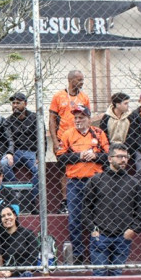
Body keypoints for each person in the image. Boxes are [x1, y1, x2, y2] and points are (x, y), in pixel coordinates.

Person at [55, 105, 109, 264]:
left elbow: (108, 157)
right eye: (76, 117)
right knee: (74, 220)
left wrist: (94, 156)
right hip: (75, 183)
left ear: (89, 119)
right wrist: (79, 156)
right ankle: (78, 255)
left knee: (98, 219)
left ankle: (98, 255)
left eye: (81, 117)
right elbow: (60, 159)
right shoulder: (67, 134)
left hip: (96, 182)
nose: (78, 120)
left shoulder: (99, 134)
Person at [82, 143, 141, 276]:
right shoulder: (96, 180)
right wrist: (92, 229)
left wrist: (133, 230)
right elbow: (85, 207)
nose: (124, 160)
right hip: (100, 236)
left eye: (126, 157)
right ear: (110, 158)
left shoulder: (134, 183)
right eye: (119, 157)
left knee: (117, 276)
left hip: (123, 236)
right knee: (99, 275)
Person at [49, 70, 91, 213]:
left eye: (82, 79)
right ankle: (65, 201)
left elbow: (87, 118)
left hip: (80, 139)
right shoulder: (58, 96)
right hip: (63, 138)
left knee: (81, 167)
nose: (81, 82)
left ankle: (84, 200)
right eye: (79, 79)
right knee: (64, 170)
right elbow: (52, 119)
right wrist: (55, 141)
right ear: (70, 80)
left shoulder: (84, 97)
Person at [4, 92, 41, 211]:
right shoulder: (8, 121)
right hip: (16, 152)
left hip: (31, 152)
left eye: (18, 103)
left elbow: (41, 138)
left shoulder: (35, 118)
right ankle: (18, 194)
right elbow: (9, 139)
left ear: (25, 104)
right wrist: (9, 153)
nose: (15, 105)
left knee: (38, 170)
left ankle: (31, 200)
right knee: (4, 164)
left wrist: (40, 155)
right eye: (13, 103)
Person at [0, 205, 40, 278]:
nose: (7, 217)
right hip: (3, 276)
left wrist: (12, 272)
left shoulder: (27, 233)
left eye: (9, 214)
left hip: (23, 275)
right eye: (3, 216)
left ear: (14, 216)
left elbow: (33, 260)